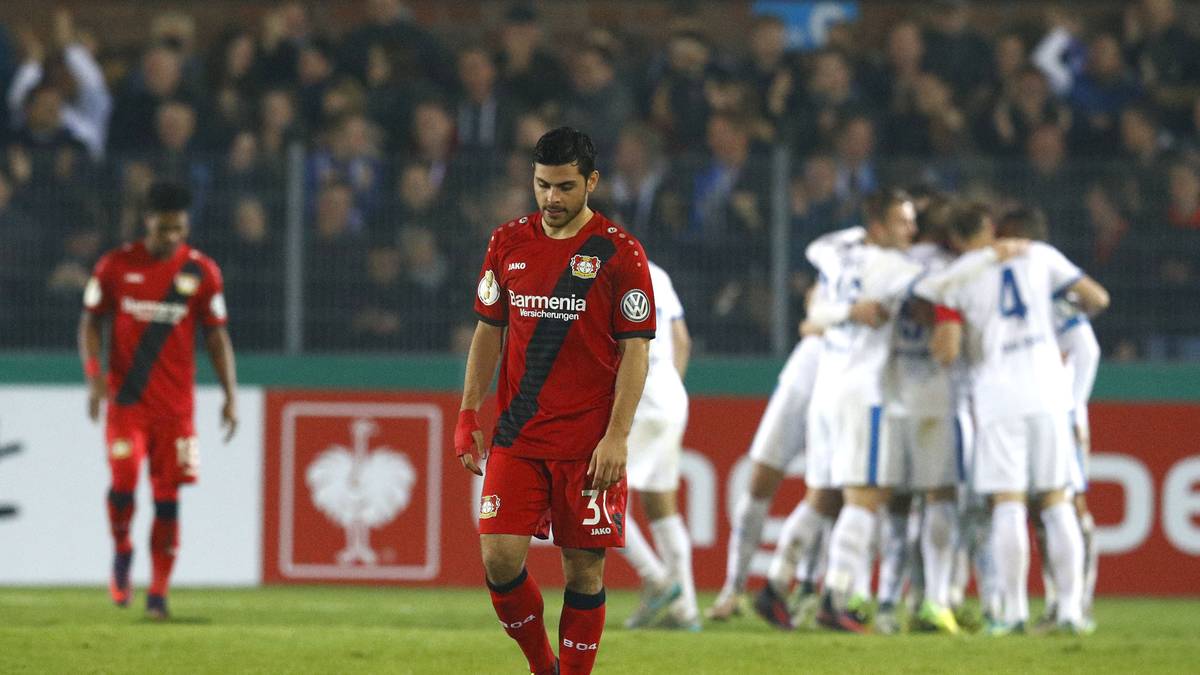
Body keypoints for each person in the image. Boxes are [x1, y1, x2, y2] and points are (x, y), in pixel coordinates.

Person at [455, 127, 655, 675]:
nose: (552, 198)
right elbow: (488, 331)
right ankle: (544, 667)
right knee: (498, 559)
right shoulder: (507, 242)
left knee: (583, 572)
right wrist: (468, 411)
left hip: (588, 444)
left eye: (565, 186)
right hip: (518, 435)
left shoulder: (619, 252)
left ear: (591, 182)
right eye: (543, 185)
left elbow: (636, 353)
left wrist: (617, 437)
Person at [916, 203, 1109, 635]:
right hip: (1050, 392)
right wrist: (1054, 313)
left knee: (1008, 504)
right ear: (990, 227)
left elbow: (941, 332)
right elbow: (1098, 298)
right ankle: (1071, 612)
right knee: (1057, 502)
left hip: (999, 395)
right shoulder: (1039, 255)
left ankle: (1013, 612)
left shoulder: (960, 274)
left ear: (955, 239)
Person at [78, 181, 238, 620]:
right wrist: (94, 378)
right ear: (147, 221)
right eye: (164, 228)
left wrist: (230, 395)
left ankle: (158, 593)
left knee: (168, 498)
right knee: (125, 481)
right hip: (127, 404)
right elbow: (90, 323)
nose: (171, 237)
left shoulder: (202, 273)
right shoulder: (115, 266)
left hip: (176, 412)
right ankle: (122, 549)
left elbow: (217, 336)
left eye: (179, 229)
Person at [996, 208, 1102, 633]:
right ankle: (1058, 602)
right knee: (1043, 512)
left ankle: (1078, 602)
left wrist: (1073, 407)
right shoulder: (1028, 290)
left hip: (1060, 413)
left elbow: (1087, 350)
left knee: (1068, 507)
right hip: (1036, 407)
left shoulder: (1053, 297)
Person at [618, 260, 699, 631]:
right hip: (670, 394)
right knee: (661, 506)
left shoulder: (596, 272)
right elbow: (682, 340)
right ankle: (686, 611)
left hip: (642, 397)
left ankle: (657, 580)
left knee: (593, 497)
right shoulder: (656, 272)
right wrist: (671, 391)